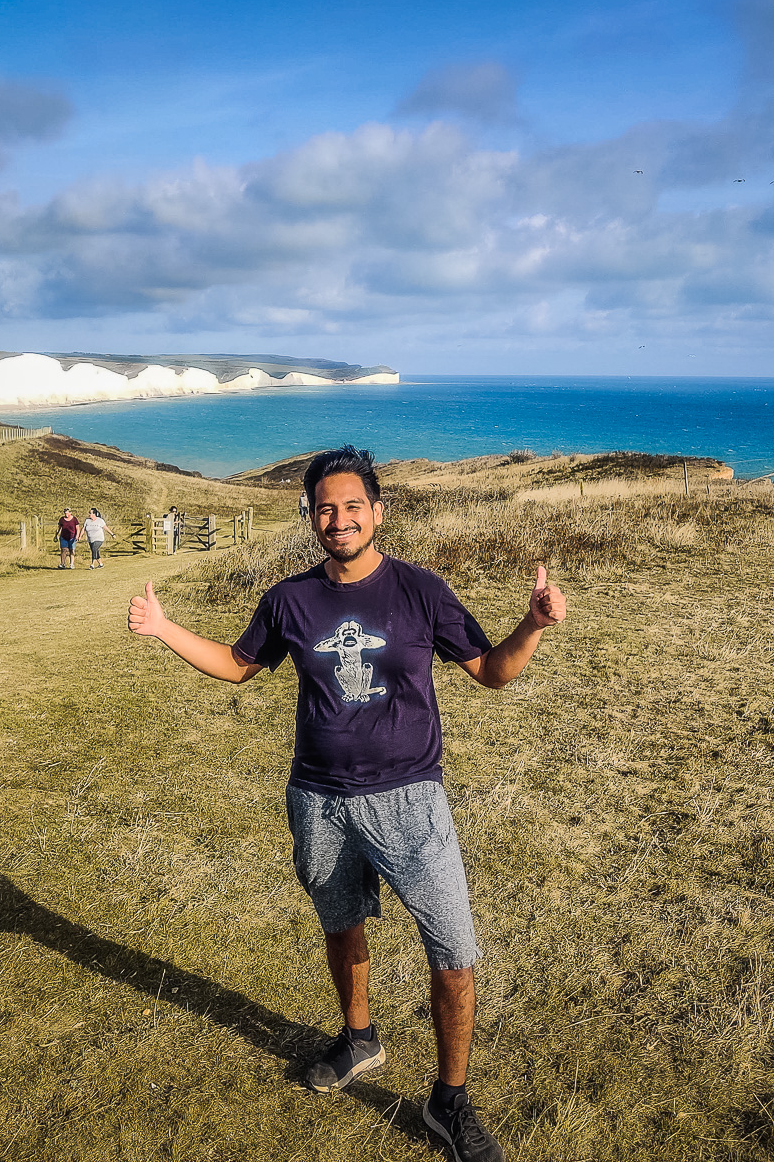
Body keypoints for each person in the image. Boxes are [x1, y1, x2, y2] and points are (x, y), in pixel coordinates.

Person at [127, 445, 565, 1162]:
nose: (339, 519)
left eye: (352, 506)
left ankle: (448, 1103)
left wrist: (535, 625)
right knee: (342, 925)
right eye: (325, 508)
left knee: (453, 956)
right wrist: (165, 629)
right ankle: (359, 1038)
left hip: (411, 801)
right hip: (319, 799)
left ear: (377, 514)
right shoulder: (290, 600)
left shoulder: (422, 590)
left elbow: (492, 672)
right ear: (311, 517)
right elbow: (239, 666)